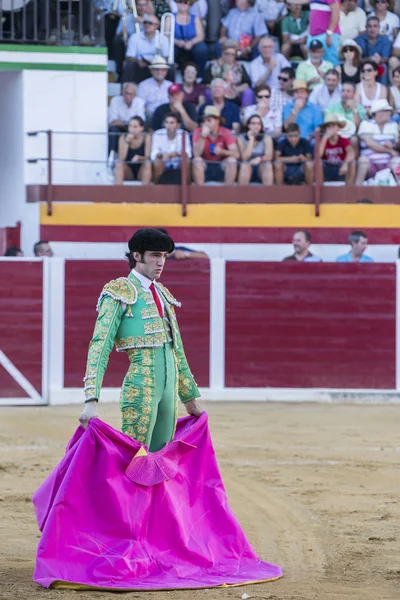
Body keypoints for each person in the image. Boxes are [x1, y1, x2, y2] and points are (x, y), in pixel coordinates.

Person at [79, 228, 203, 449]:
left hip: (170, 390)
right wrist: (91, 400)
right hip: (141, 387)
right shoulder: (119, 291)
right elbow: (100, 345)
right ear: (137, 255)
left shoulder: (163, 294)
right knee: (134, 458)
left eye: (164, 256)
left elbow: (177, 351)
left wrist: (189, 398)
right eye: (155, 255)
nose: (161, 262)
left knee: (162, 459)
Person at [355, 98, 400, 184]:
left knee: (398, 160)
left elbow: (397, 142)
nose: (389, 113)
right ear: (377, 113)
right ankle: (357, 190)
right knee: (363, 161)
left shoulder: (393, 125)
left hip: (388, 162)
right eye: (386, 111)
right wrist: (390, 150)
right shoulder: (366, 124)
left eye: (389, 111)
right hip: (370, 162)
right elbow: (370, 143)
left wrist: (393, 145)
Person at [192, 106, 239, 184]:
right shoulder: (198, 131)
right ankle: (200, 193)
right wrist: (202, 136)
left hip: (220, 165)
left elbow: (236, 154)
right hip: (205, 166)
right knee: (197, 161)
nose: (206, 123)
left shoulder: (226, 131)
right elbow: (196, 154)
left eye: (209, 120)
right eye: (204, 121)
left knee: (232, 161)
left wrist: (222, 152)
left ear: (217, 121)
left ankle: (228, 194)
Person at [203, 39, 253, 108]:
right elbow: (206, 83)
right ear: (222, 53)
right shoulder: (213, 65)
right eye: (227, 53)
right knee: (208, 92)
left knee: (248, 92)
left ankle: (245, 113)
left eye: (232, 54)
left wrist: (235, 89)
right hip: (217, 93)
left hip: (235, 93)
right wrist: (220, 89)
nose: (230, 56)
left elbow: (247, 83)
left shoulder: (239, 66)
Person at [121, 15, 169, 84]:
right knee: (129, 65)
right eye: (145, 22)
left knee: (171, 67)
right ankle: (127, 89)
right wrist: (138, 61)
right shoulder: (135, 37)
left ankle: (170, 91)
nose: (147, 25)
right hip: (140, 65)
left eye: (150, 23)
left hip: (157, 65)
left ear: (157, 26)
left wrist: (157, 62)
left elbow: (166, 57)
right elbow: (129, 56)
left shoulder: (163, 39)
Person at [150, 112, 192, 184]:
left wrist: (177, 154)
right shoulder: (157, 134)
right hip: (163, 163)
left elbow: (188, 153)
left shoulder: (184, 134)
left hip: (178, 162)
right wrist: (162, 155)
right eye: (166, 122)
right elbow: (153, 154)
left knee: (186, 161)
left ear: (178, 125)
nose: (168, 126)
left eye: (172, 123)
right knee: (157, 162)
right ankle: (157, 186)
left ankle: (186, 187)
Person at [108, 83, 146, 156]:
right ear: (122, 92)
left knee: (142, 129)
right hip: (121, 128)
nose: (127, 96)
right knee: (113, 130)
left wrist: (127, 124)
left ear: (135, 94)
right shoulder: (115, 100)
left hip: (135, 128)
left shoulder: (139, 102)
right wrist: (130, 123)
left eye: (130, 94)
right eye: (125, 93)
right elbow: (112, 122)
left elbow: (141, 121)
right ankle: (112, 155)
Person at [173, 0, 208, 77]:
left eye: (186, 2)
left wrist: (191, 42)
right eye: (180, 1)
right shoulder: (171, 17)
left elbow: (200, 36)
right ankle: (170, 76)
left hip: (191, 44)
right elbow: (166, 35)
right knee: (169, 50)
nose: (183, 4)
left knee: (202, 49)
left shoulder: (195, 18)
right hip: (176, 44)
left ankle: (199, 76)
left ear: (190, 4)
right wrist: (178, 42)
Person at [319, 114, 356, 184]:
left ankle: (349, 190)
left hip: (341, 167)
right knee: (318, 163)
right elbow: (318, 155)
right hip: (327, 167)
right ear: (325, 129)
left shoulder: (343, 139)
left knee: (352, 163)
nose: (331, 128)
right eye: (328, 126)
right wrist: (325, 137)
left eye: (333, 126)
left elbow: (351, 152)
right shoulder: (322, 141)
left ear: (338, 128)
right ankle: (320, 190)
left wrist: (345, 164)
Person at [114, 116, 152, 185]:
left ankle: (145, 192)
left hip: (141, 169)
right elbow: (121, 158)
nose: (132, 129)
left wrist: (139, 158)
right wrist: (127, 141)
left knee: (147, 163)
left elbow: (148, 157)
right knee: (118, 164)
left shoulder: (146, 137)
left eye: (135, 127)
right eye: (130, 126)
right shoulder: (123, 137)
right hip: (128, 170)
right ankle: (118, 191)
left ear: (141, 128)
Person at [237, 114, 274, 184]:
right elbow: (244, 158)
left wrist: (259, 159)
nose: (256, 126)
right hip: (246, 168)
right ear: (248, 125)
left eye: (258, 124)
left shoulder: (266, 137)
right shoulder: (241, 138)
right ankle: (241, 193)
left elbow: (269, 156)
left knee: (268, 164)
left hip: (261, 167)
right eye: (253, 123)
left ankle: (269, 193)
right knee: (244, 164)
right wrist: (251, 140)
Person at [355, 17, 392, 84]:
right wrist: (369, 59)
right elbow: (356, 59)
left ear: (379, 27)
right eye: (369, 26)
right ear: (366, 28)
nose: (372, 29)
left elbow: (386, 58)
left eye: (375, 26)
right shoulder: (358, 40)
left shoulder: (385, 40)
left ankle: (383, 90)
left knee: (383, 66)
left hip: (378, 65)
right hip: (362, 65)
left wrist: (379, 59)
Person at [308, 0, 341, 65]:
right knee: (313, 65)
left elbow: (336, 11)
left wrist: (329, 33)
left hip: (327, 34)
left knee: (331, 65)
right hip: (313, 34)